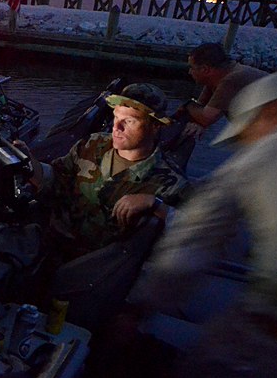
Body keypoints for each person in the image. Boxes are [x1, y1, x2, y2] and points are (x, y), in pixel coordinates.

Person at [101, 70, 277, 378]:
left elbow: (193, 246)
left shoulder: (263, 154)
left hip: (276, 323)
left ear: (275, 111)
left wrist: (138, 307)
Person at [38, 82, 190, 259]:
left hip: (96, 267)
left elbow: (196, 230)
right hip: (52, 244)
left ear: (155, 126)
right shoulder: (92, 144)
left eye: (129, 121)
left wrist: (155, 204)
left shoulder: (171, 181)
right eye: (116, 117)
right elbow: (58, 176)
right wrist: (30, 164)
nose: (116, 128)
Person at [181, 42, 267, 139]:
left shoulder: (232, 79)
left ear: (205, 69)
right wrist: (196, 123)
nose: (189, 72)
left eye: (191, 68)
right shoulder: (215, 79)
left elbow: (206, 117)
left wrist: (187, 106)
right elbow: (201, 108)